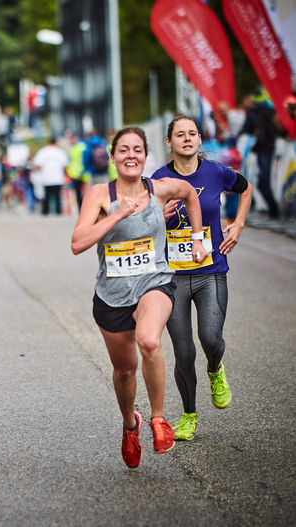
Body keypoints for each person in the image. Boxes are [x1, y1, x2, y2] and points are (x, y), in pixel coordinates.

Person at [71, 126, 207, 468]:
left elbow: (190, 192)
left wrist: (195, 238)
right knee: (124, 372)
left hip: (154, 283)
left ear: (146, 157)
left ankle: (159, 419)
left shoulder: (159, 189)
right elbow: (77, 243)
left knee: (149, 341)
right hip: (112, 295)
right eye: (124, 150)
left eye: (137, 150)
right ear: (113, 157)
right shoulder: (100, 194)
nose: (131, 155)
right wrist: (118, 213)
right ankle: (130, 424)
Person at [151, 115, 252, 441]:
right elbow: (145, 225)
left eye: (192, 133)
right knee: (183, 352)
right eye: (179, 134)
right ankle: (189, 416)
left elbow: (246, 189)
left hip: (211, 271)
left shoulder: (216, 172)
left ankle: (215, 369)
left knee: (210, 338)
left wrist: (237, 225)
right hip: (173, 278)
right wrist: (158, 217)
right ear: (169, 142)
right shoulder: (158, 178)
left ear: (199, 139)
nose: (187, 138)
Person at [32, 137, 69, 215]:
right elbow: (65, 166)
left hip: (46, 177)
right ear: (55, 143)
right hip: (58, 178)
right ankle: (58, 211)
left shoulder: (43, 151)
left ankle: (45, 211)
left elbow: (37, 165)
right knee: (58, 196)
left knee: (46, 196)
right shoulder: (60, 152)